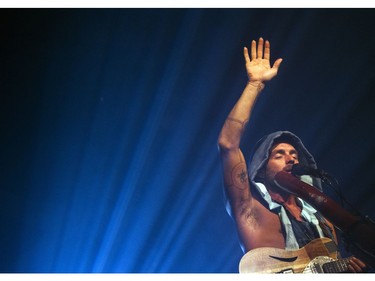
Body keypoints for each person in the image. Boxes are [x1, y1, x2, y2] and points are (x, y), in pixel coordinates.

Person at [217, 37, 367, 273]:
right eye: (279, 154)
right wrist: (255, 84)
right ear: (262, 168)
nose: (291, 159)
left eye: (294, 154)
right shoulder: (251, 209)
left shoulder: (322, 219)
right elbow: (228, 144)